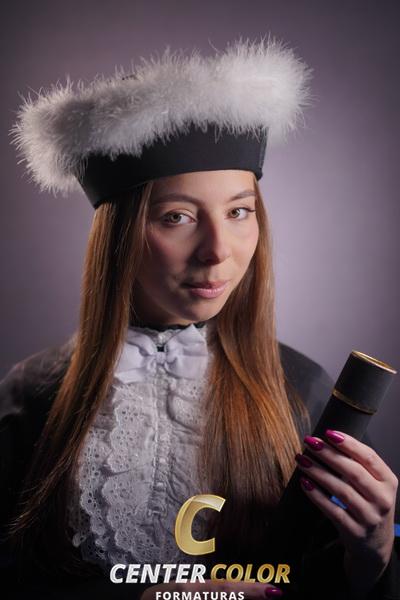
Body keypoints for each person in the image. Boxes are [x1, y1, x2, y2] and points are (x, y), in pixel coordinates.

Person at [1, 36, 399, 600]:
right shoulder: (30, 396)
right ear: (118, 237)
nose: (217, 250)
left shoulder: (303, 389)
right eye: (178, 216)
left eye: (239, 211)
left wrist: (373, 558)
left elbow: (322, 581)